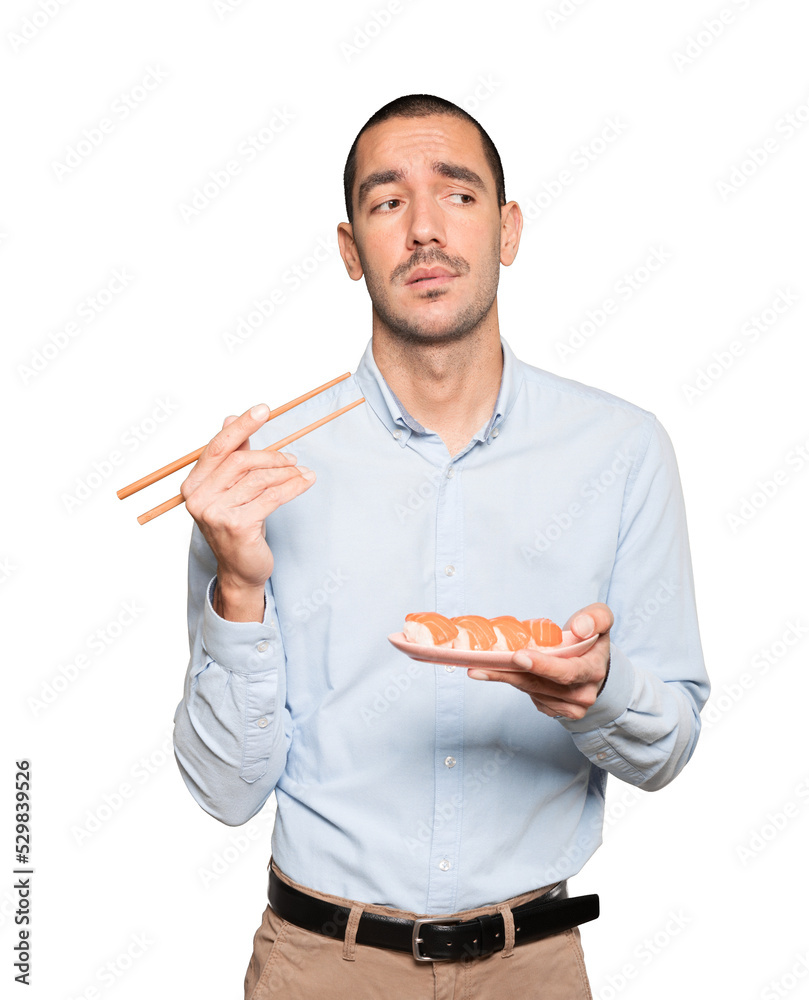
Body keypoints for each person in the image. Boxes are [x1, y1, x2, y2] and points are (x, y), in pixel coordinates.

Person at [172, 93, 710, 999]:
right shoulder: (259, 478)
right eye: (386, 203)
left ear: (507, 230)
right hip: (319, 966)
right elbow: (225, 794)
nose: (423, 229)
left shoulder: (620, 450)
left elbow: (667, 750)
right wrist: (236, 585)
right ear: (351, 250)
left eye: (455, 195)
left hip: (530, 967)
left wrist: (596, 691)